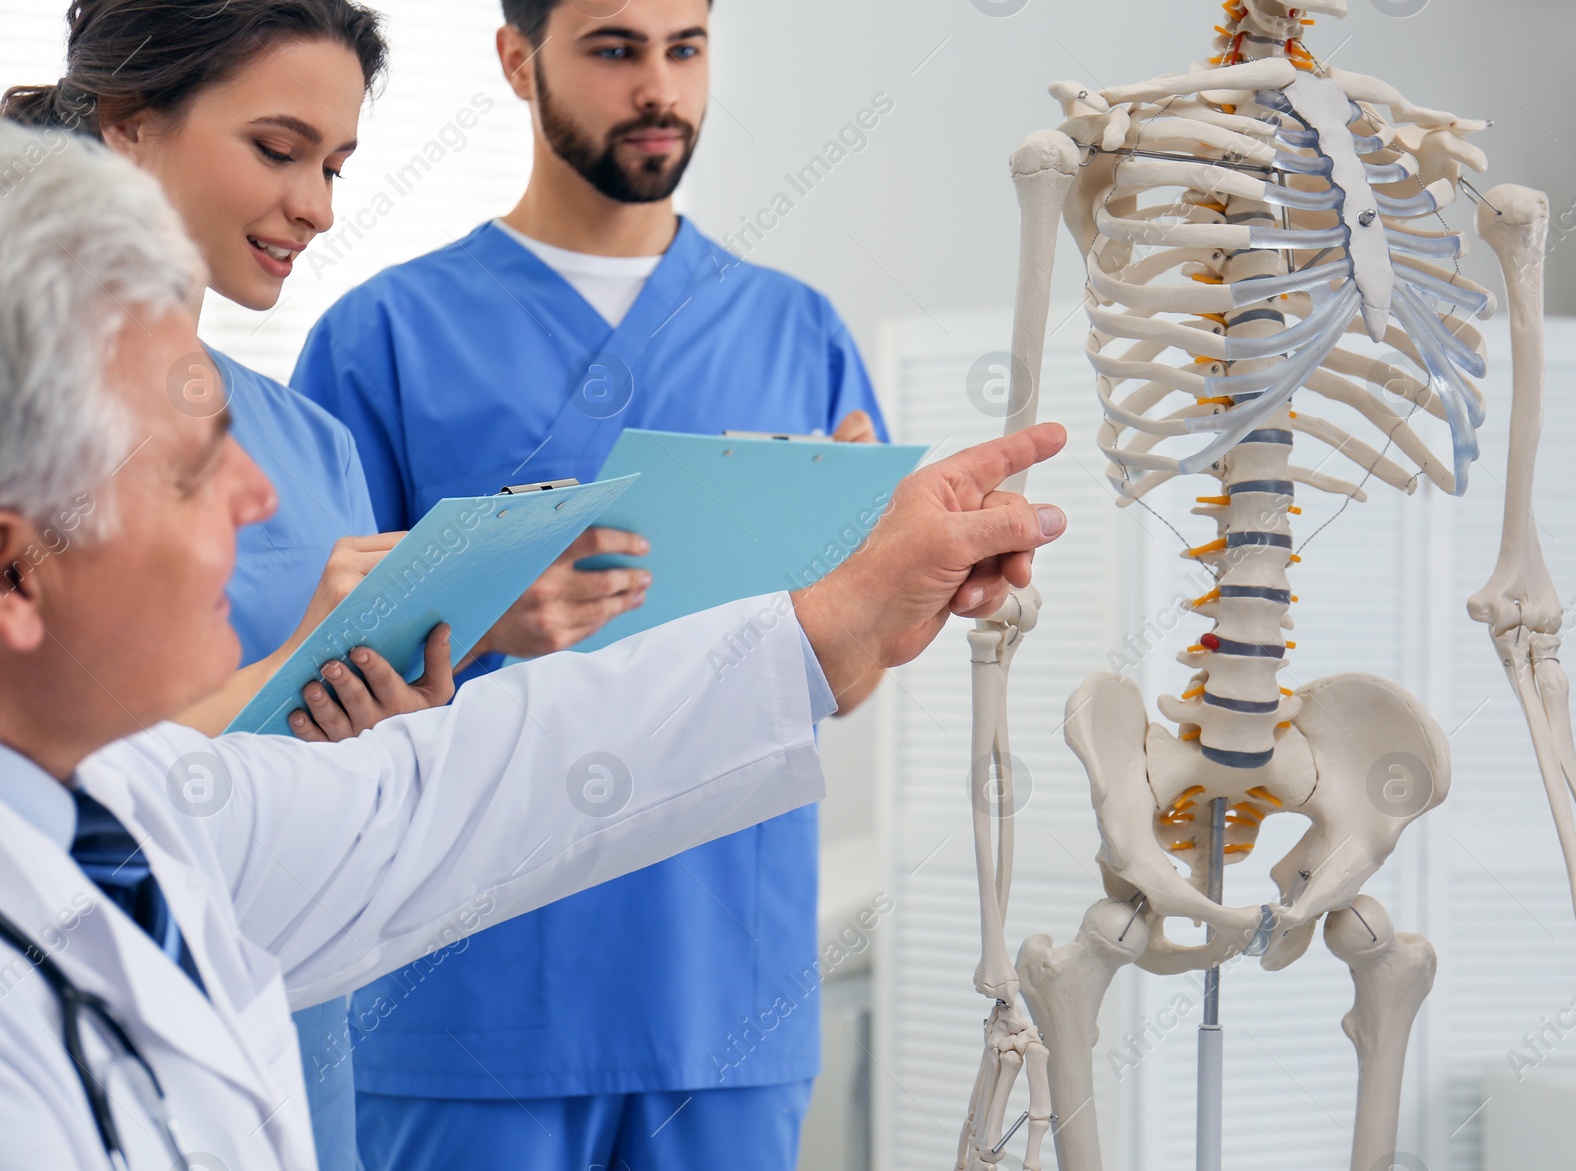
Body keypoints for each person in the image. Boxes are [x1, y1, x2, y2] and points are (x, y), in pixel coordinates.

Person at [0, 119, 1066, 1171]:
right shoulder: (390, 330)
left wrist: (842, 611)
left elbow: (462, 787)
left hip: (715, 981)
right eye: (192, 472)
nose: (262, 496)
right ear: (17, 571)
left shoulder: (141, 813)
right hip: (479, 1036)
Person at [290, 3, 893, 1165]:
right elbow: (299, 680)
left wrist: (881, 593)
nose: (658, 87)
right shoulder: (382, 336)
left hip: (722, 989)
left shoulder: (796, 331)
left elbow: (845, 682)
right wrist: (477, 615)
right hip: (462, 999)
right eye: (614, 49)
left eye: (686, 47)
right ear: (519, 61)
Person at [2, 3, 451, 1167]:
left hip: (291, 1041)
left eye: (338, 165)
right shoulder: (33, 435)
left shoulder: (314, 447)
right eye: (278, 148)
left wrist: (394, 719)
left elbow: (354, 799)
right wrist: (285, 668)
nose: (318, 205)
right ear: (129, 129)